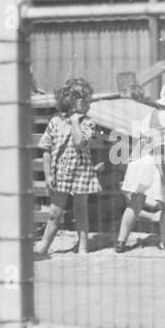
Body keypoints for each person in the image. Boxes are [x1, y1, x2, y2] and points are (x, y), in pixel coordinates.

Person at [116, 82, 165, 252]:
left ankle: (121, 241)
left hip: (140, 162)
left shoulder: (147, 117)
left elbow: (140, 140)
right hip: (161, 164)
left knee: (135, 203)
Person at [35, 77, 100, 256]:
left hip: (81, 173)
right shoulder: (55, 122)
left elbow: (80, 142)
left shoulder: (87, 122)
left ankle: (83, 246)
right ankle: (44, 246)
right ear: (78, 102)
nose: (90, 105)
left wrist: (74, 122)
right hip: (61, 173)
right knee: (55, 212)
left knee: (81, 209)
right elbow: (46, 150)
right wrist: (48, 175)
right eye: (88, 101)